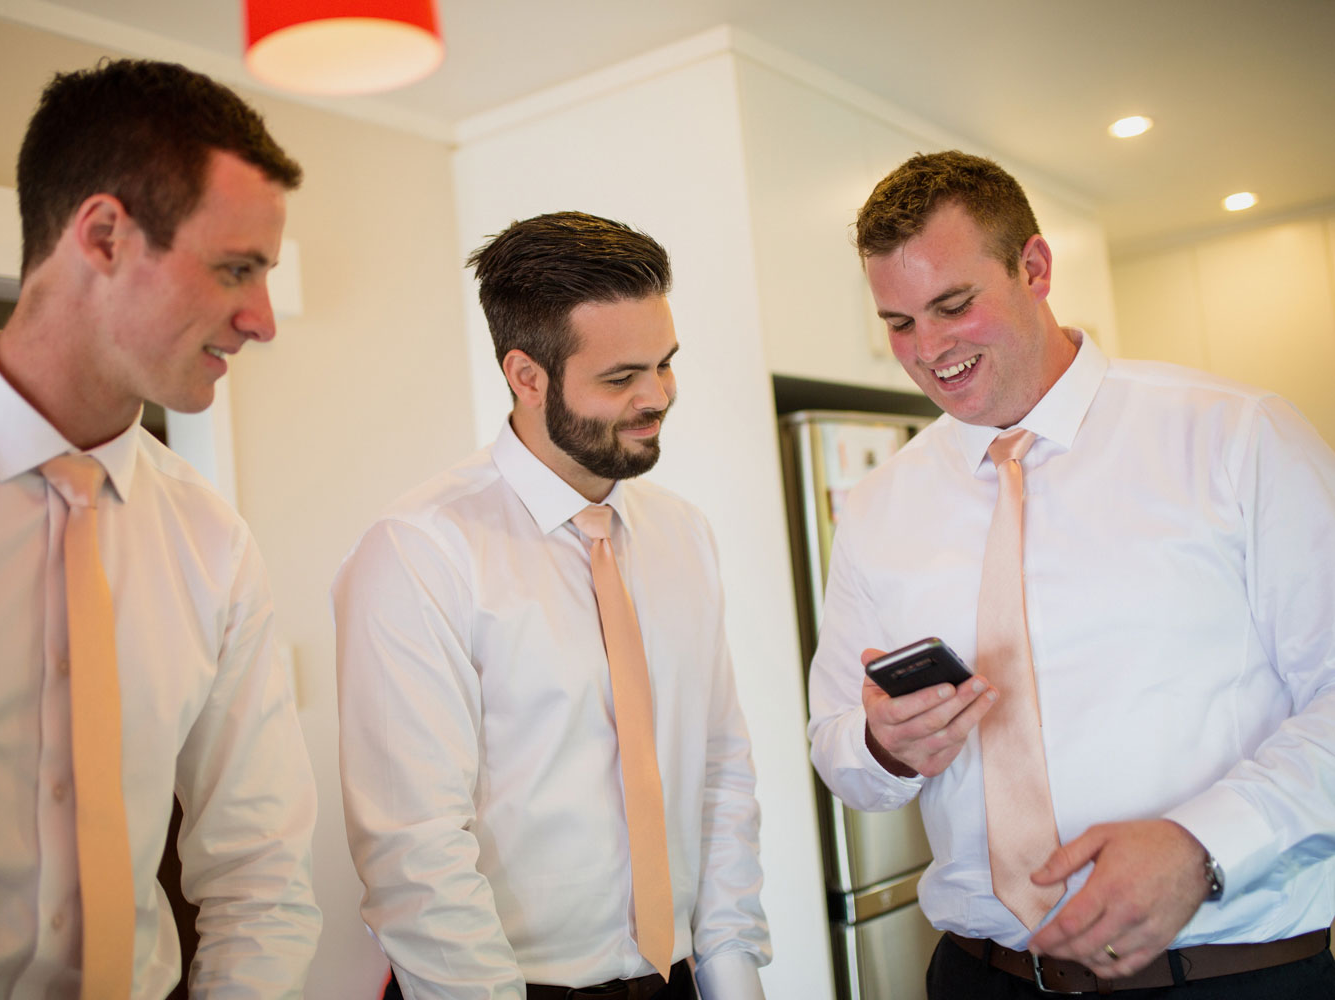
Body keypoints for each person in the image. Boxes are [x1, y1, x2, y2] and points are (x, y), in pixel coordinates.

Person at [0, 59, 320, 997]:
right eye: (235, 269)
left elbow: (262, 870)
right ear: (103, 234)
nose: (261, 320)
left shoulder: (213, 543)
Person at [807, 150, 1335, 998]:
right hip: (982, 977)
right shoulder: (877, 505)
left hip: (1225, 973)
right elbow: (838, 750)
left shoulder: (1237, 437)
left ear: (1035, 267)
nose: (928, 348)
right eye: (899, 322)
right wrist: (884, 745)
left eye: (953, 305)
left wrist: (1205, 845)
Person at [333, 211, 772, 1000]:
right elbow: (416, 853)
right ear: (526, 375)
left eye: (665, 365)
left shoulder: (683, 535)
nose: (657, 397)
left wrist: (733, 978)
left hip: (680, 982)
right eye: (620, 378)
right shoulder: (419, 552)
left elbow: (719, 771)